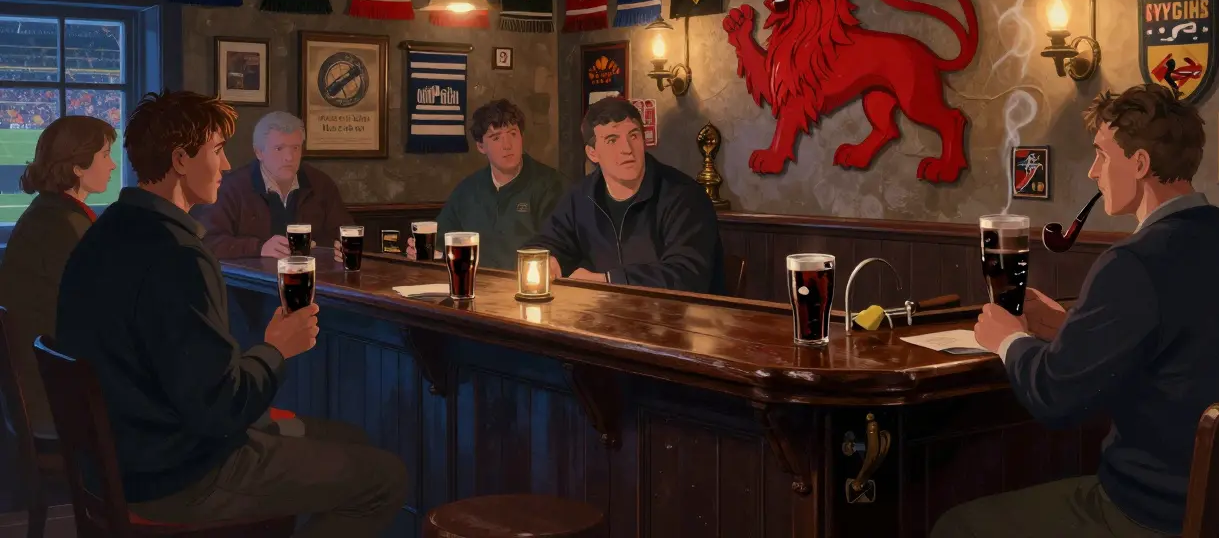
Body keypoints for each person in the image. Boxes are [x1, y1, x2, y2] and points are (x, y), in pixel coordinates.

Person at [934, 84, 1219, 538]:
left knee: (956, 526)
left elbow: (1054, 398)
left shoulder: (1134, 262)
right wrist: (1072, 330)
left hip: (1148, 516)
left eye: (1101, 154)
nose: (1093, 171)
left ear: (1139, 164)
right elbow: (1190, 353)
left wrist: (1007, 339)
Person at [56, 90, 406, 536]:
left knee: (349, 440)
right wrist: (276, 349)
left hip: (120, 461)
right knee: (384, 478)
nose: (224, 165)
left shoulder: (107, 230)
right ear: (180, 159)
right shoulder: (177, 254)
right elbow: (221, 409)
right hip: (179, 476)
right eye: (217, 150)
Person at [524, 97, 725, 294]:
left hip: (681, 314)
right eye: (612, 140)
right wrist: (546, 259)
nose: (627, 149)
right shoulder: (581, 196)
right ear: (592, 153)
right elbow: (547, 242)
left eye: (633, 136)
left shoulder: (685, 196)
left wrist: (608, 281)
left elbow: (687, 276)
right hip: (605, 312)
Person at [0, 115, 116, 438]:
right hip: (54, 404)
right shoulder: (66, 225)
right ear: (78, 166)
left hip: (35, 394)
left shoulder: (46, 213)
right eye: (105, 155)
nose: (112, 165)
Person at [402, 99, 566, 270]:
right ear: (481, 146)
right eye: (496, 138)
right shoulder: (468, 191)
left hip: (529, 284)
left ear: (521, 137)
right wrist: (422, 251)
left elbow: (561, 249)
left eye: (512, 134)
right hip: (474, 283)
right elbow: (442, 242)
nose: (507, 145)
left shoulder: (551, 185)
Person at [195, 111, 352, 259]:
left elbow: (343, 232)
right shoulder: (232, 187)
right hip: (253, 277)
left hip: (311, 274)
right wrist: (260, 248)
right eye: (279, 148)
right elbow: (208, 242)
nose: (289, 157)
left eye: (295, 148)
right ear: (259, 152)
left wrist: (330, 247)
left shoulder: (320, 183)